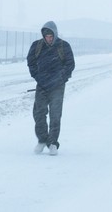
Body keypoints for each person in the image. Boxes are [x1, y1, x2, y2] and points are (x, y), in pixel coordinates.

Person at [26, 21, 75, 156]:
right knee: (39, 113)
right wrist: (38, 77)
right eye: (46, 36)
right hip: (42, 85)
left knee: (55, 114)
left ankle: (53, 143)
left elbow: (70, 64)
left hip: (57, 86)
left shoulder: (63, 46)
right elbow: (31, 62)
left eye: (51, 35)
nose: (49, 38)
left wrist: (61, 78)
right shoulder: (37, 46)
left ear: (55, 34)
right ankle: (42, 140)